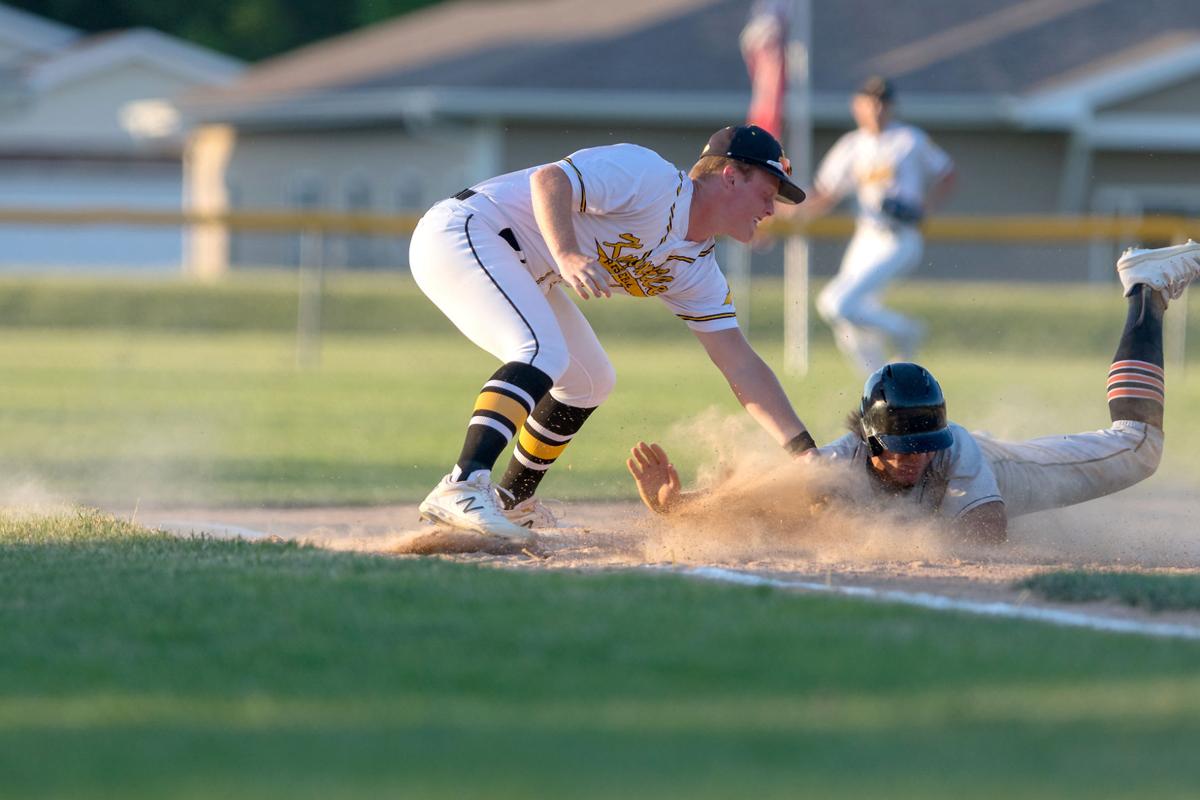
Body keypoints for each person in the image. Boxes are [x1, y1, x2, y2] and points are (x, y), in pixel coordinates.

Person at [627, 241, 1200, 543]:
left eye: (923, 443)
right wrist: (679, 506)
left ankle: (1146, 287)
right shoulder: (837, 464)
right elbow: (757, 500)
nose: (914, 458)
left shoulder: (954, 451)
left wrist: (862, 532)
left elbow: (985, 537)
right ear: (870, 441)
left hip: (1012, 473)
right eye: (901, 448)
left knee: (1140, 446)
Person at [411, 125, 818, 544]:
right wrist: (567, 253)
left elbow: (740, 362)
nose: (772, 209)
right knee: (541, 351)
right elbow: (549, 179)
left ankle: (513, 501)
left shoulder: (695, 268)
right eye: (768, 193)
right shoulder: (650, 178)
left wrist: (804, 453)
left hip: (522, 267)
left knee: (591, 381)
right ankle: (462, 483)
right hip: (464, 230)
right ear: (731, 175)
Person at [803, 76, 956, 376]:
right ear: (856, 106)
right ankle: (876, 385)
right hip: (866, 238)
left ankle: (906, 330)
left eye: (883, 101)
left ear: (892, 106)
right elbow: (824, 193)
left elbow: (947, 173)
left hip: (899, 238)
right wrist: (777, 212)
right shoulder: (851, 146)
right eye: (869, 101)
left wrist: (928, 206)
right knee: (849, 322)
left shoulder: (909, 139)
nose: (876, 107)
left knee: (837, 303)